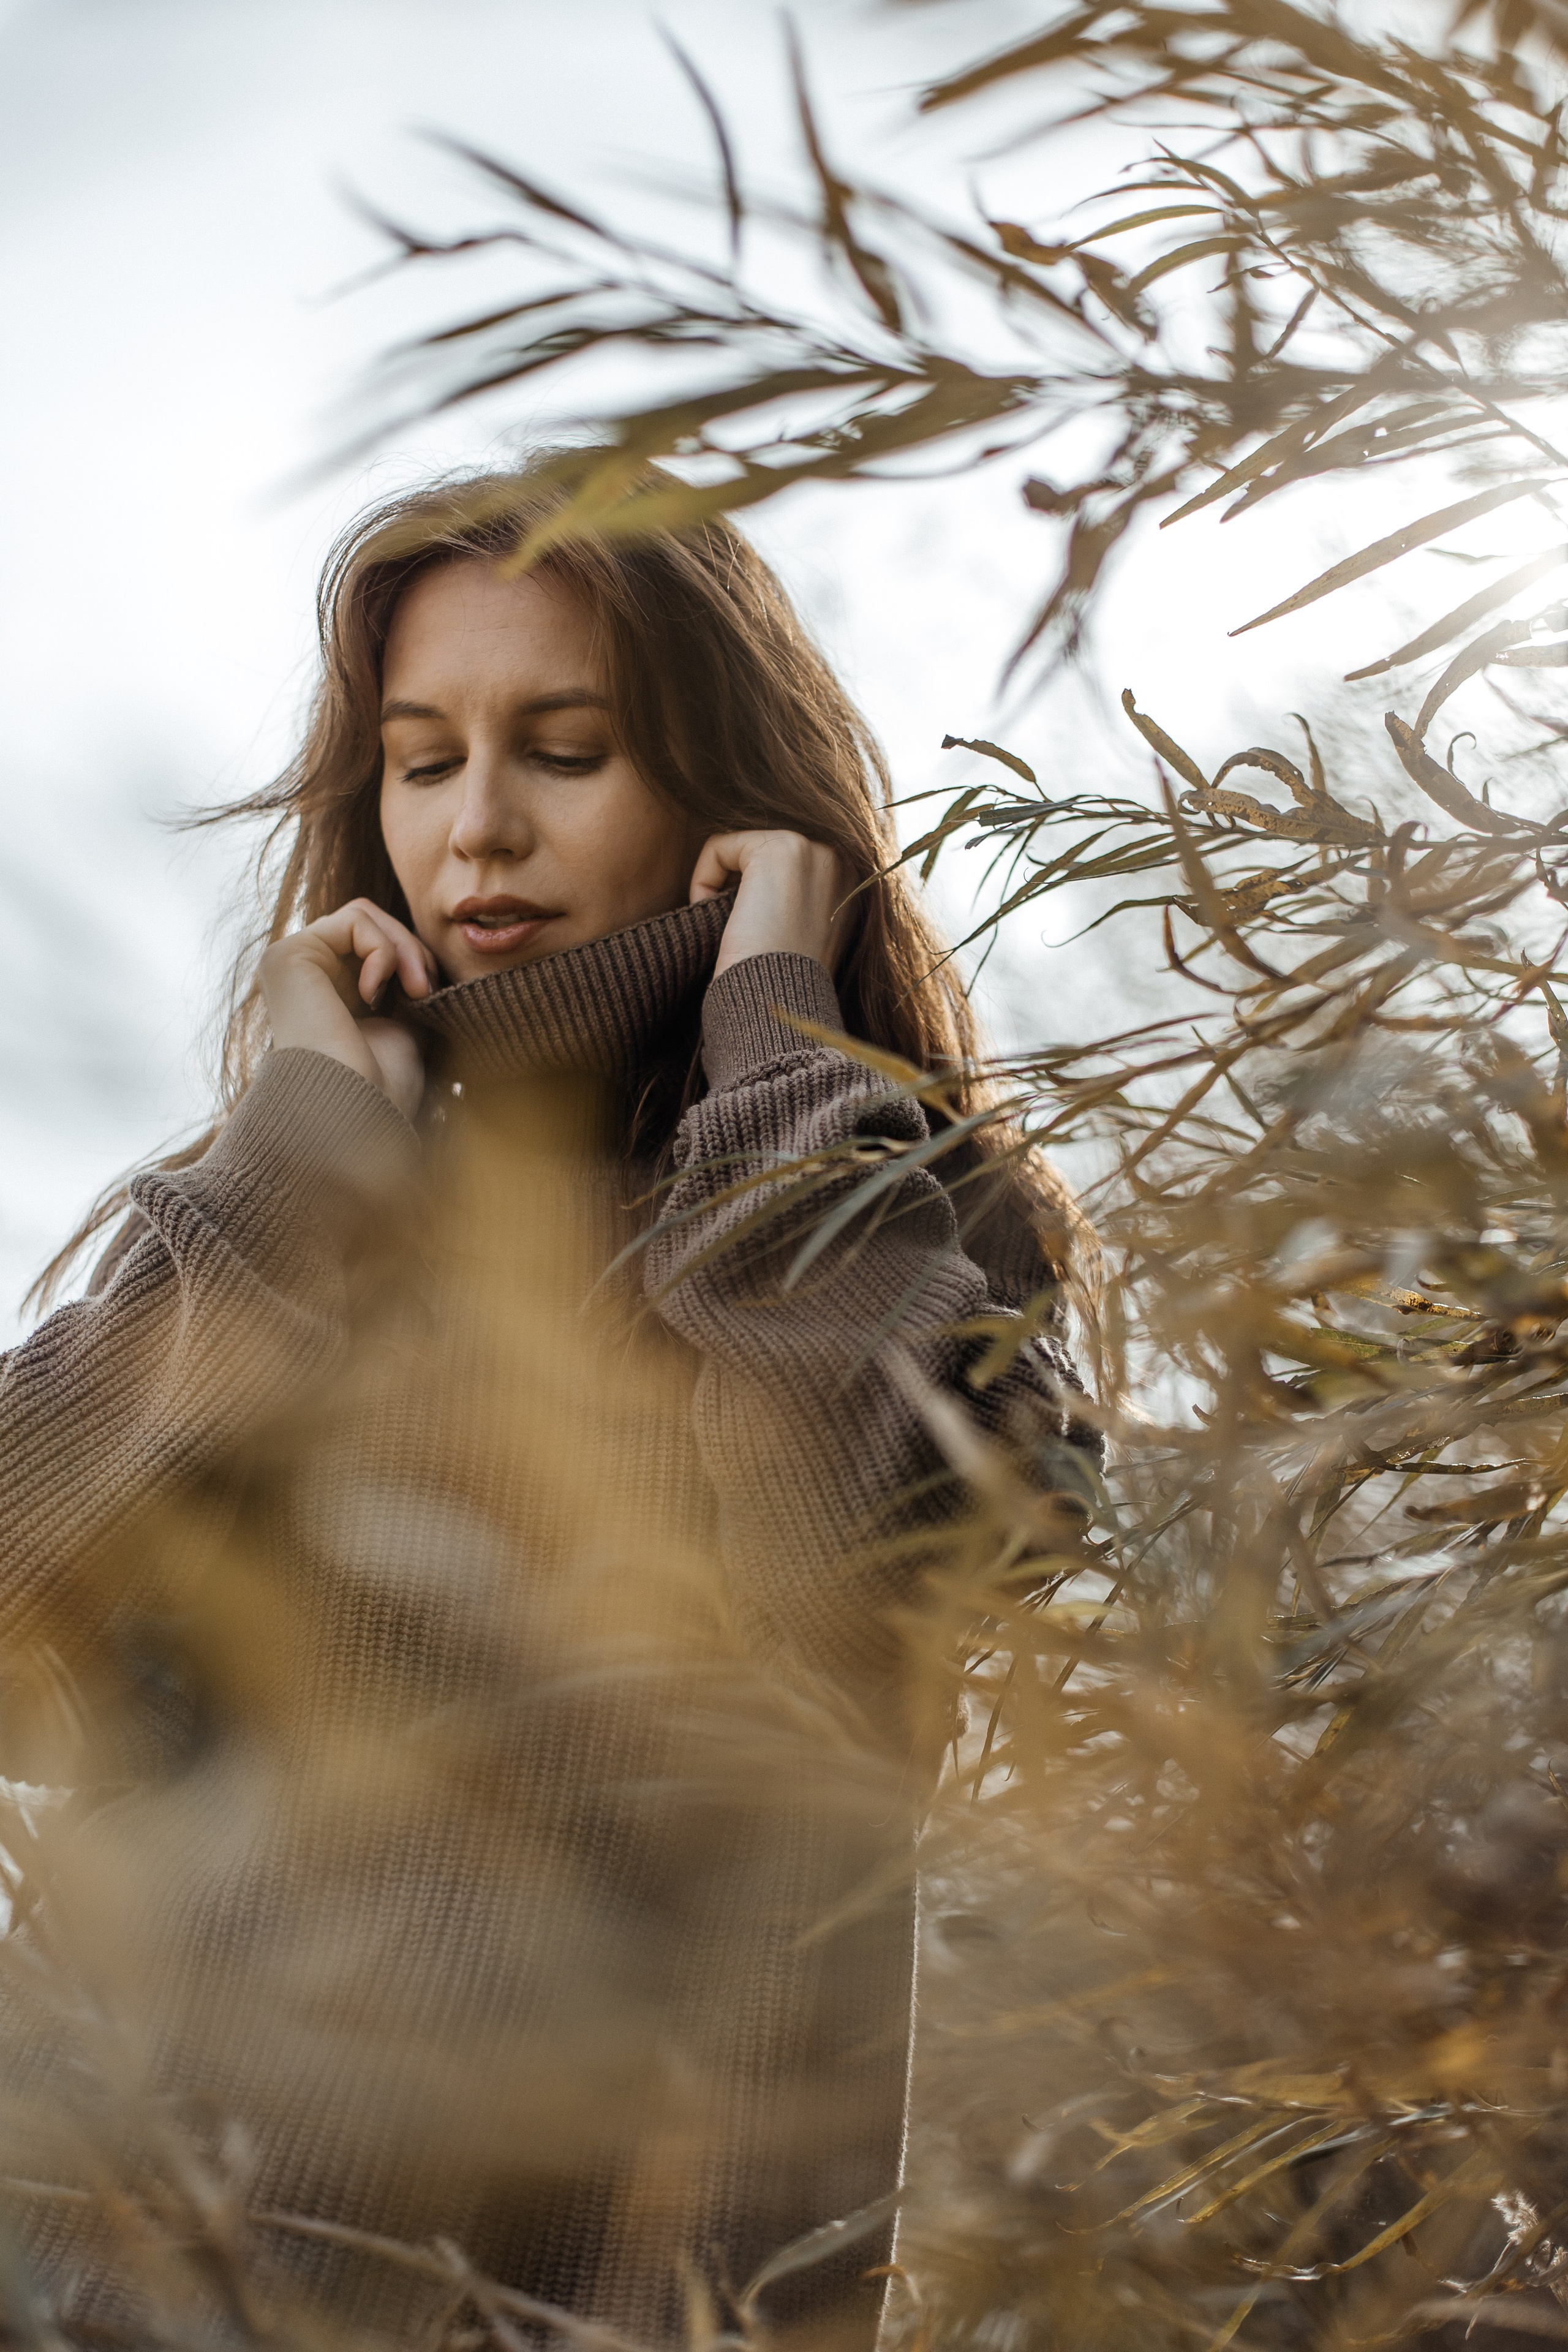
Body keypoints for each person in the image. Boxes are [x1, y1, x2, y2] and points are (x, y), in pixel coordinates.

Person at [0, 462, 1098, 2351]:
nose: (478, 829)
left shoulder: (906, 1216)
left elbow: (857, 1555)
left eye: (565, 750)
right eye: (422, 765)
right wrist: (282, 1179)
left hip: (597, 2298)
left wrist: (775, 1041)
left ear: (722, 797)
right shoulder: (300, 1218)